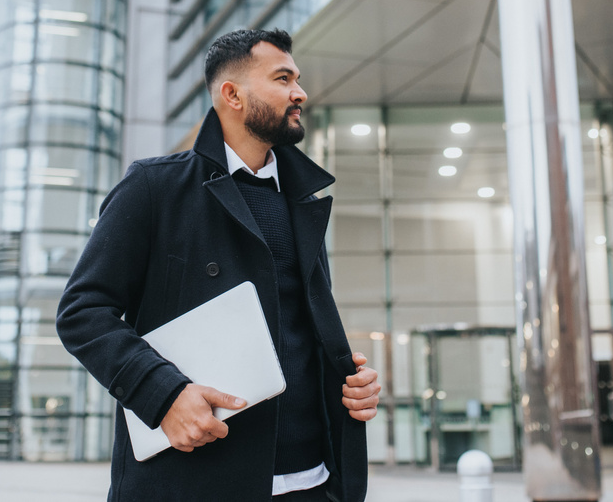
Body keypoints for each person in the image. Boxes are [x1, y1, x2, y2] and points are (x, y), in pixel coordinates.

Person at [57, 28, 380, 501]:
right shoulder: (154, 188)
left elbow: (298, 331)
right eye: (283, 78)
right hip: (195, 481)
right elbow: (83, 312)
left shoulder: (302, 199)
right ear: (232, 94)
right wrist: (163, 394)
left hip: (314, 483)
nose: (300, 93)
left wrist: (350, 386)